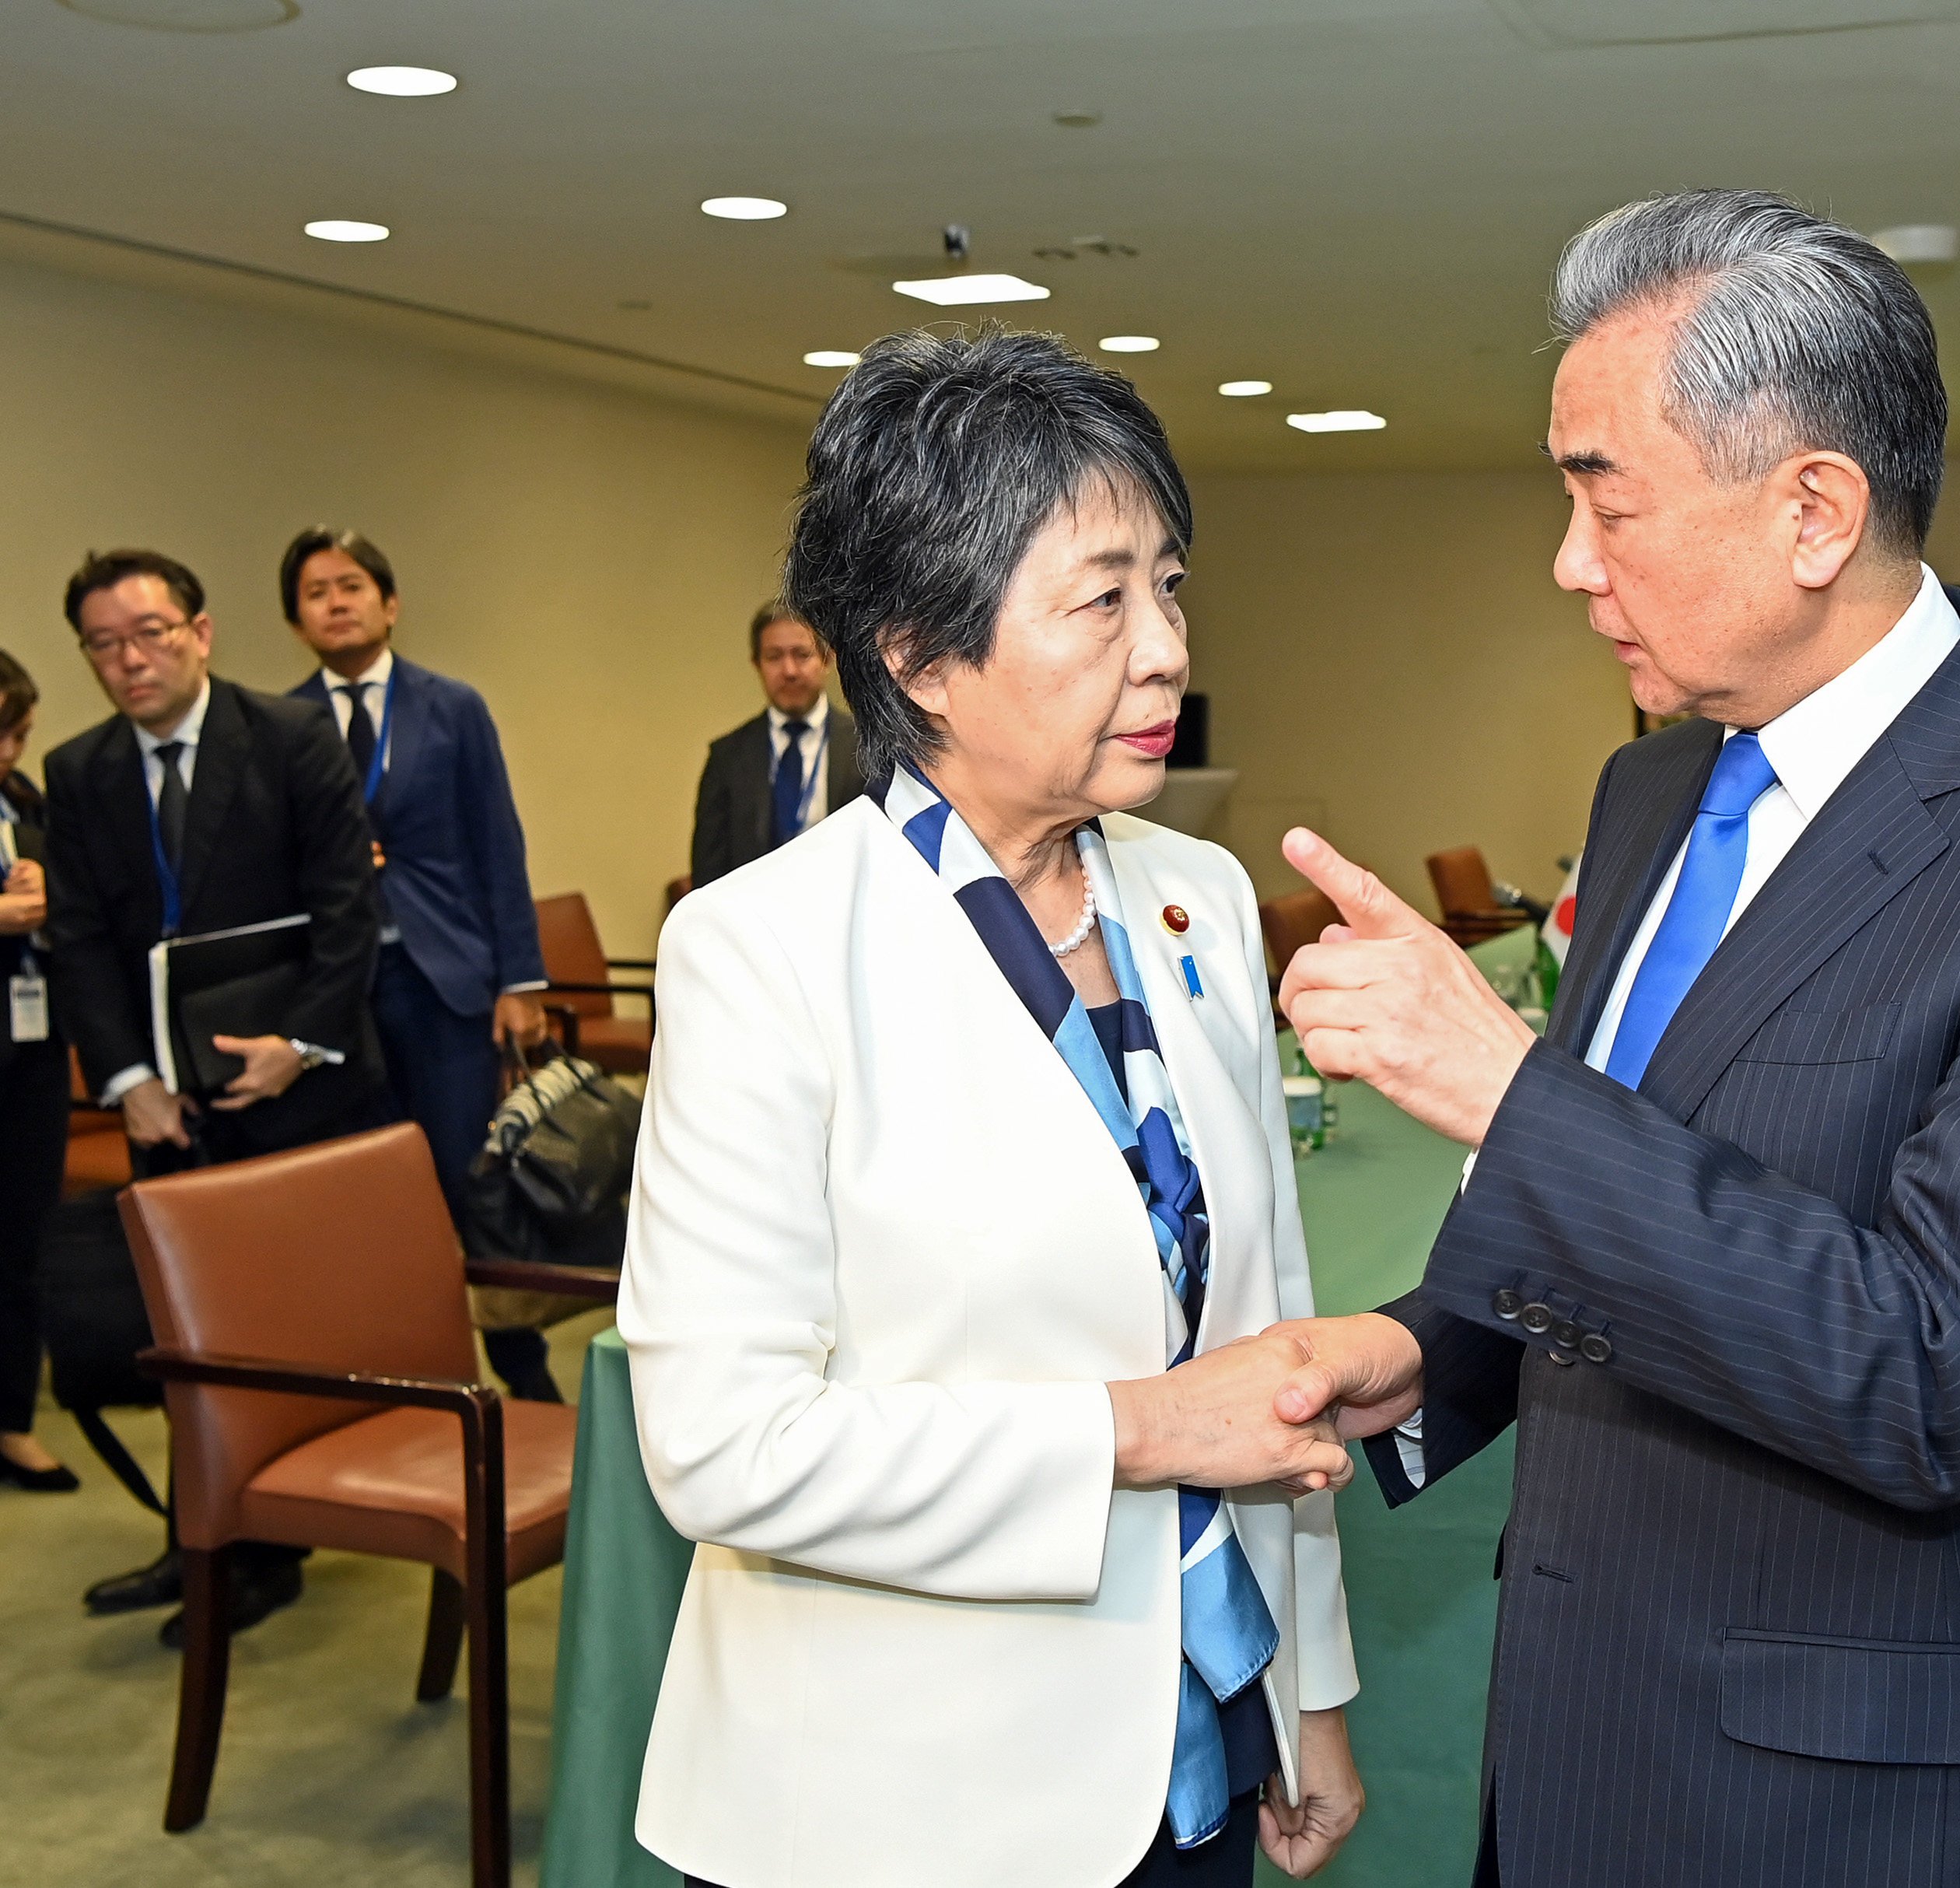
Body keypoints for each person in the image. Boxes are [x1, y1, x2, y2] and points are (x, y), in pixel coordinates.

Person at [1263, 191, 1960, 1888]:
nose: (1567, 560)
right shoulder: (1652, 782)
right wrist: (1431, 1352)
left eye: (1604, 495)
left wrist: (1502, 1090)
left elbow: (1944, 1374)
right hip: (1586, 1724)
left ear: (1812, 510)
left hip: (1863, 1798)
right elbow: (1642, 1208)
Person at [621, 330, 1363, 1888]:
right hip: (896, 1806)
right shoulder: (761, 950)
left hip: (1197, 1742)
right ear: (914, 652)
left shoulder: (1198, 899)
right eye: (1099, 600)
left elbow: (1266, 1328)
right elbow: (725, 1447)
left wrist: (1307, 1687)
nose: (1163, 646)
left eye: (1167, 584)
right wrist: (1140, 1430)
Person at [46, 548, 386, 1641]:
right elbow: (84, 939)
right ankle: (198, 1541)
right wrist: (128, 1079)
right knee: (187, 1339)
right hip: (165, 1107)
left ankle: (270, 1543)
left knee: (280, 1331)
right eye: (104, 643)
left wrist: (299, 1041)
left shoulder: (289, 739)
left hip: (292, 1091)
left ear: (199, 630)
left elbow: (347, 911)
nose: (129, 658)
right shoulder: (79, 768)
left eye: (149, 632)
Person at [279, 525, 559, 1396]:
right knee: (370, 1197)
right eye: (316, 591)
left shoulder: (452, 707)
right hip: (338, 993)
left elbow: (497, 844)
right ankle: (406, 1380)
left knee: (466, 1178)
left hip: (446, 981)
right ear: (297, 620)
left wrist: (520, 979)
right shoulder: (281, 724)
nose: (336, 600)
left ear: (389, 605)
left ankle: (523, 1372)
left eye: (351, 585)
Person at [0, 647, 79, 1494]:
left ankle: (12, 1420)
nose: (9, 753)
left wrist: (47, 907)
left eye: (16, 733)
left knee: (22, 1240)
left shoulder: (27, 804)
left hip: (29, 1048)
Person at [688, 601, 865, 889]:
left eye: (802, 654)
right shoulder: (727, 757)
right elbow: (708, 877)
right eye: (774, 657)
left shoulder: (865, 748)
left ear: (827, 659)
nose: (790, 670)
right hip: (751, 923)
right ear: (757, 665)